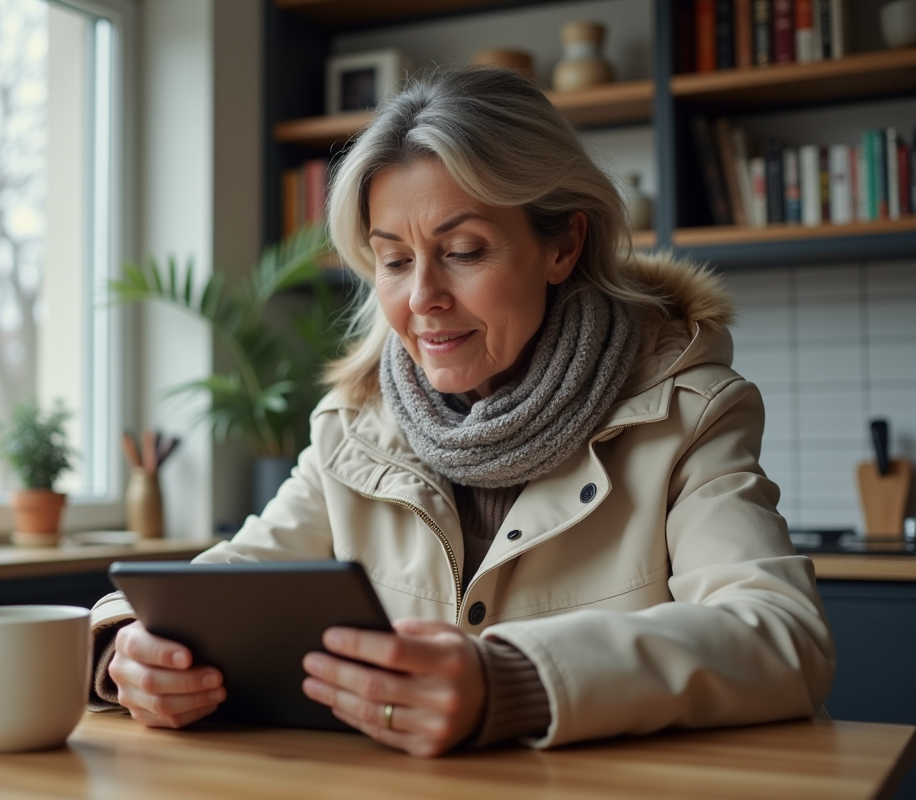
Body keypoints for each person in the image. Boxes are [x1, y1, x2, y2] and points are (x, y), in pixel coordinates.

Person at [88, 67, 835, 757]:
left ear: (563, 245)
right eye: (394, 259)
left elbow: (781, 637)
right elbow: (221, 585)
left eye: (466, 251)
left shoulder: (690, 412)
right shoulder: (355, 427)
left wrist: (510, 681)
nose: (422, 300)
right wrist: (128, 648)